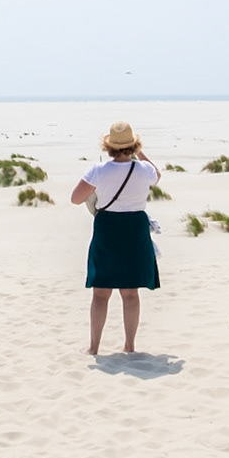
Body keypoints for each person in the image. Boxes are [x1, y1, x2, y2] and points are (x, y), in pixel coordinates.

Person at [70, 121, 161, 355]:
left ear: (108, 146)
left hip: (108, 228)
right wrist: (138, 151)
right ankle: (129, 346)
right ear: (134, 145)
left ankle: (93, 348)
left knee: (101, 294)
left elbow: (76, 199)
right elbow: (156, 175)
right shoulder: (144, 170)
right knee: (130, 294)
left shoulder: (98, 170)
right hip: (135, 229)